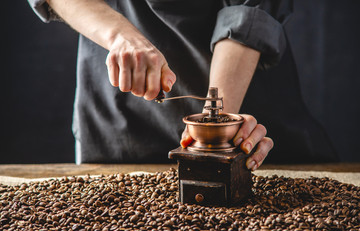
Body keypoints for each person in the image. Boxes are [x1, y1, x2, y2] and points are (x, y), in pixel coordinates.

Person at [28, 0, 338, 168]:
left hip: (248, 118)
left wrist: (219, 126)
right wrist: (120, 36)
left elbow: (248, 12)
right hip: (122, 129)